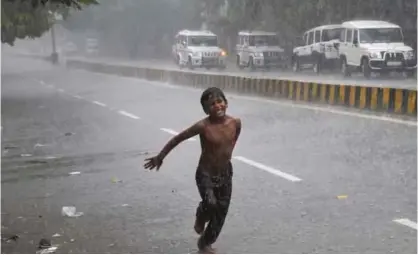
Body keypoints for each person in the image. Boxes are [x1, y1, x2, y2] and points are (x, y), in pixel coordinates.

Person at [144, 87, 242, 254]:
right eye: (211, 104)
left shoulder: (235, 123)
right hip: (206, 173)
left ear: (226, 103)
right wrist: (161, 156)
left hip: (225, 173)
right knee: (210, 203)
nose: (217, 106)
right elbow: (178, 138)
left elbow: (233, 141)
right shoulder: (203, 126)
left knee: (221, 213)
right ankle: (200, 216)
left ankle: (204, 243)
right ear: (205, 109)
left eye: (219, 102)